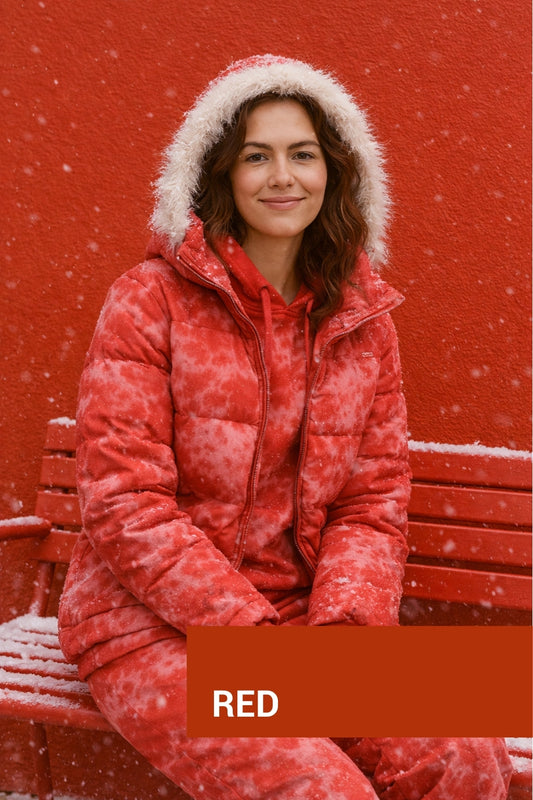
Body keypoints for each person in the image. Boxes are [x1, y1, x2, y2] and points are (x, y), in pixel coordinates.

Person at [58, 55, 512, 799]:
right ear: (219, 175)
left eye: (302, 155)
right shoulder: (147, 301)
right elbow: (125, 502)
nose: (282, 177)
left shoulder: (363, 321)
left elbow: (370, 504)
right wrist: (253, 646)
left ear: (334, 171)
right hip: (149, 626)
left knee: (463, 753)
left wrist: (340, 634)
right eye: (255, 156)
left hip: (307, 619)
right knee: (312, 787)